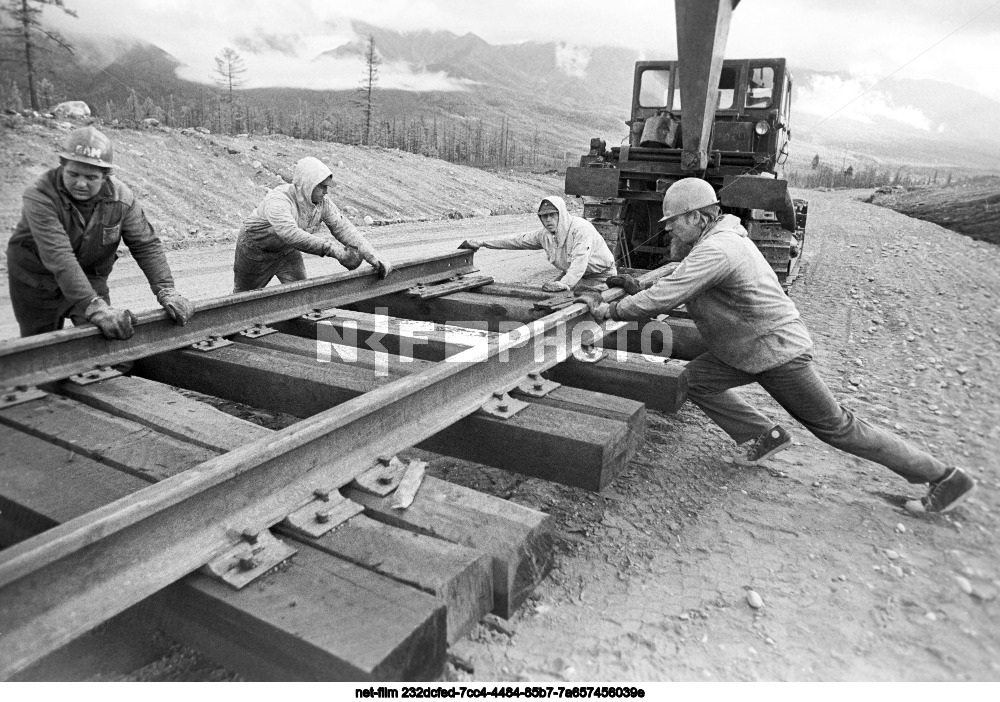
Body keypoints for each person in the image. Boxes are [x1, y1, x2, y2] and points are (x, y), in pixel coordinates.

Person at [577, 177, 976, 516]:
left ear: (698, 217)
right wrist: (638, 281)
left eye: (674, 222)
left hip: (776, 352)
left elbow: (666, 297)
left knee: (837, 427)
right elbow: (674, 272)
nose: (668, 230)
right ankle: (765, 435)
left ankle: (943, 477)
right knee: (690, 383)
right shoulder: (719, 237)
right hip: (741, 347)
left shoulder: (719, 249)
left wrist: (611, 309)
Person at [7, 126, 194, 340]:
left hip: (90, 276)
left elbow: (145, 244)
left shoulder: (121, 198)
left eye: (90, 177)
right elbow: (59, 255)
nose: (80, 183)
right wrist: (94, 306)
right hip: (37, 280)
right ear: (62, 166)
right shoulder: (40, 195)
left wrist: (166, 290)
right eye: (73, 174)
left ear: (106, 176)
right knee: (42, 352)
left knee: (108, 341)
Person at [233, 156, 392, 292]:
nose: (326, 191)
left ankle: (293, 324)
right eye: (322, 186)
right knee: (244, 300)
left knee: (300, 293)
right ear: (307, 184)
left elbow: (343, 228)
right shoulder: (279, 200)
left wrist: (373, 257)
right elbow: (290, 234)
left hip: (286, 252)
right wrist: (332, 249)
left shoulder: (323, 203)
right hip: (255, 251)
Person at [458, 196, 616, 292]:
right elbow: (517, 240)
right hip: (573, 277)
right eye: (543, 216)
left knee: (583, 305)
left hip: (600, 277)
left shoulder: (581, 229)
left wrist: (564, 284)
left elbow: (580, 261)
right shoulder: (545, 235)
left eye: (552, 215)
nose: (547, 220)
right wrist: (482, 242)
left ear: (561, 214)